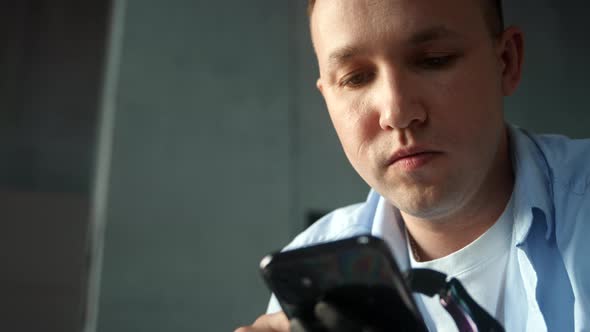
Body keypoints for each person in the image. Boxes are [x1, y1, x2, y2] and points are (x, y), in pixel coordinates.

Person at [236, 0, 590, 330]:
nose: (397, 113)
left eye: (434, 59)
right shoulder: (309, 268)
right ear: (328, 99)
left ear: (507, 62)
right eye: (355, 78)